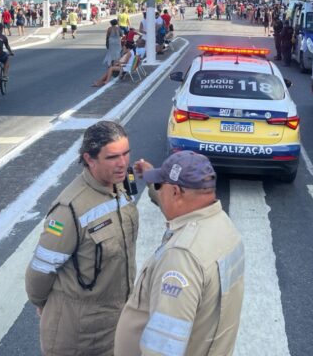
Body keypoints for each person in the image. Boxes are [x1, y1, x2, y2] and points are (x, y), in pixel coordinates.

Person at [114, 151, 244, 356]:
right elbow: (169, 201)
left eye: (160, 186)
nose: (158, 191)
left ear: (175, 192)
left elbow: (161, 348)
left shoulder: (181, 258)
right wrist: (153, 180)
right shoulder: (223, 226)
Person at [25, 122, 139, 356]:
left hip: (117, 325)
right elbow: (40, 271)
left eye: (126, 153)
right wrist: (42, 304)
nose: (123, 163)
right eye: (113, 157)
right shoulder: (68, 210)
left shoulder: (122, 181)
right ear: (89, 159)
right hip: (80, 337)